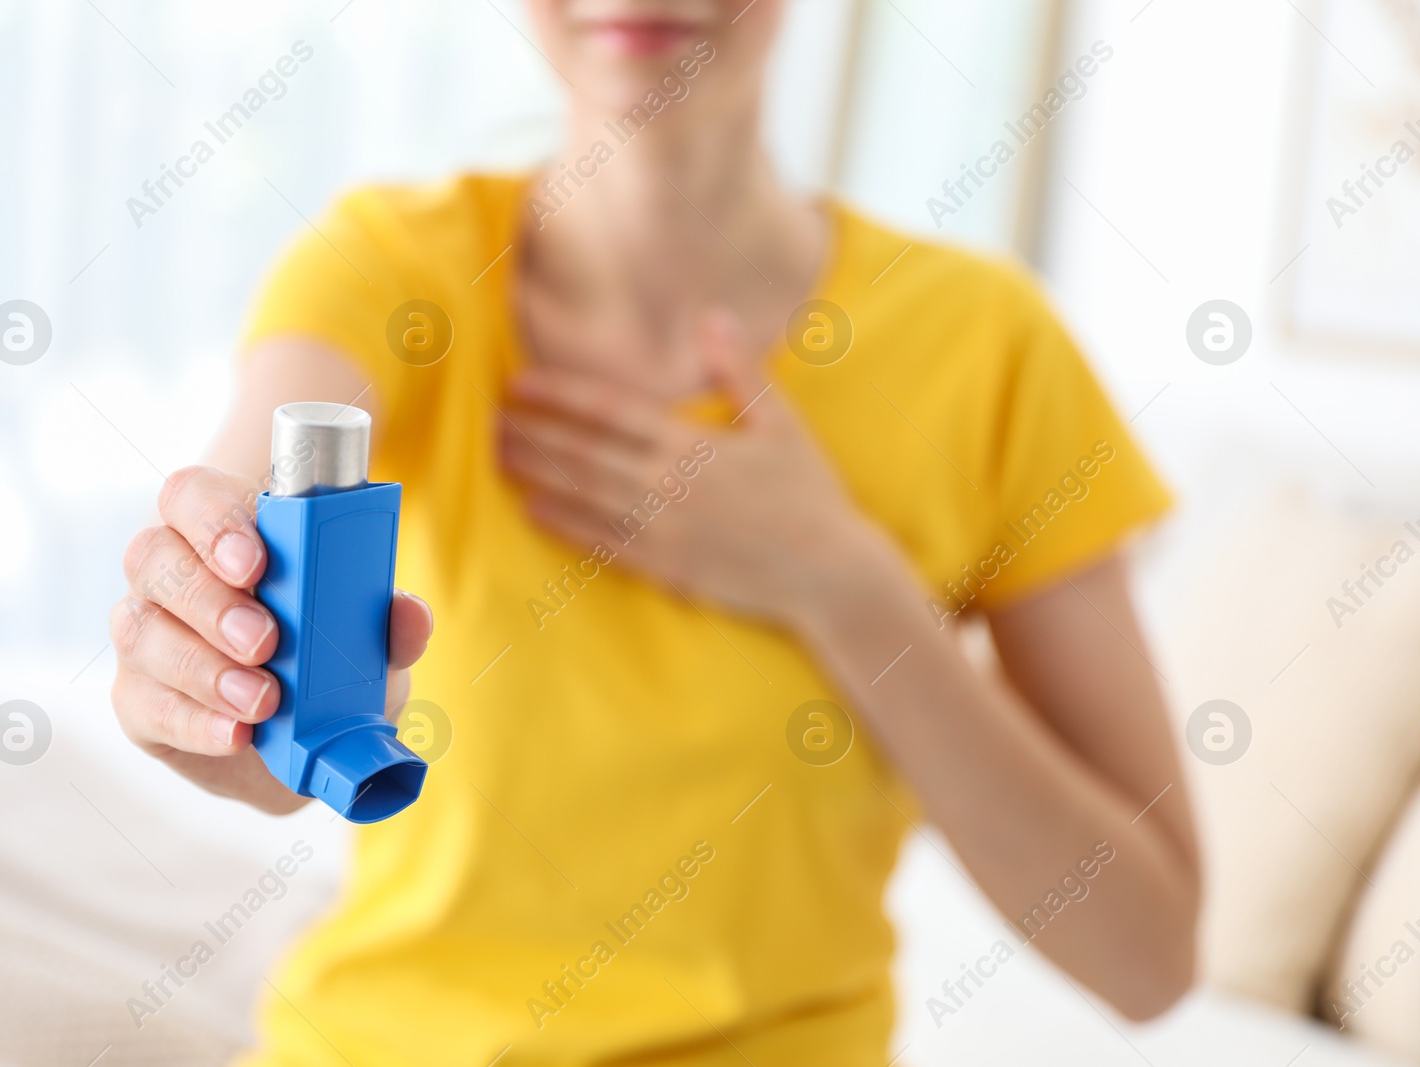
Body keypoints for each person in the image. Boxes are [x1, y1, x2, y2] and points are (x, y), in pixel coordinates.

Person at [108, 2, 1200, 1063]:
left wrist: (843, 582)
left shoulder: (988, 347)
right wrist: (216, 673)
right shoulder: (390, 268)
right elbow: (246, 567)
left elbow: (1145, 958)